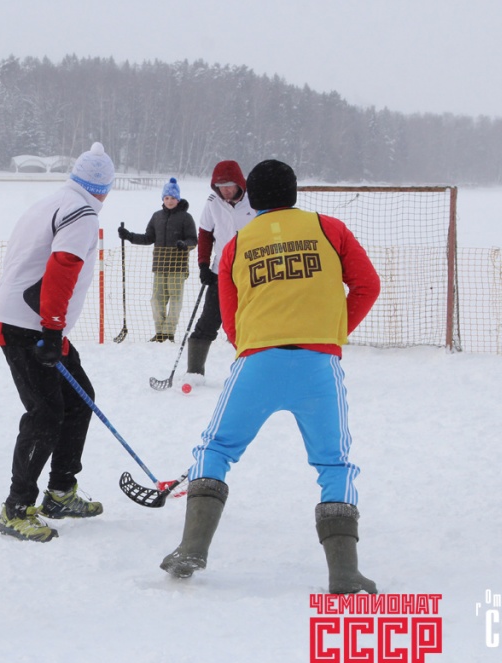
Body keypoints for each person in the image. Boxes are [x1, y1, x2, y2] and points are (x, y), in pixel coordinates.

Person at [160, 159, 382, 595]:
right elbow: (367, 285)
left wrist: (250, 343)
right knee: (334, 463)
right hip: (318, 364)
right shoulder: (330, 229)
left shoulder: (237, 244)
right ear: (294, 192)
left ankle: (191, 548)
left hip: (257, 362)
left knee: (216, 448)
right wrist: (333, 332)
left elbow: (230, 316)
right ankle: (344, 573)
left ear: (253, 197)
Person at [0, 142, 114, 542]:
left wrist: (52, 329)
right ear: (104, 189)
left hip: (33, 322)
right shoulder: (82, 213)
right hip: (32, 326)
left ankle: (60, 492)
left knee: (79, 400)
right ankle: (16, 508)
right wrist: (53, 329)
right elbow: (63, 267)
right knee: (45, 413)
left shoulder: (52, 202)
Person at [182, 160, 256, 386]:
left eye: (229, 185)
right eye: (220, 186)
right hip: (220, 272)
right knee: (208, 320)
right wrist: (204, 265)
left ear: (239, 184)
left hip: (251, 272)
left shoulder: (255, 200)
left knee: (250, 323)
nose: (225, 190)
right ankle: (194, 372)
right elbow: (205, 233)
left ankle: (253, 369)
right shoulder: (213, 202)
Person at [118, 177, 197, 342]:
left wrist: (185, 245)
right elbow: (148, 238)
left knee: (175, 300)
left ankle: (168, 332)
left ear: (178, 199)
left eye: (173, 198)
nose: (169, 201)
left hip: (177, 267)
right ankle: (160, 332)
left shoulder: (186, 217)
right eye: (166, 198)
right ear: (163, 199)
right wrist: (129, 236)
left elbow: (193, 240)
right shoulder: (157, 217)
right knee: (156, 300)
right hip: (160, 266)